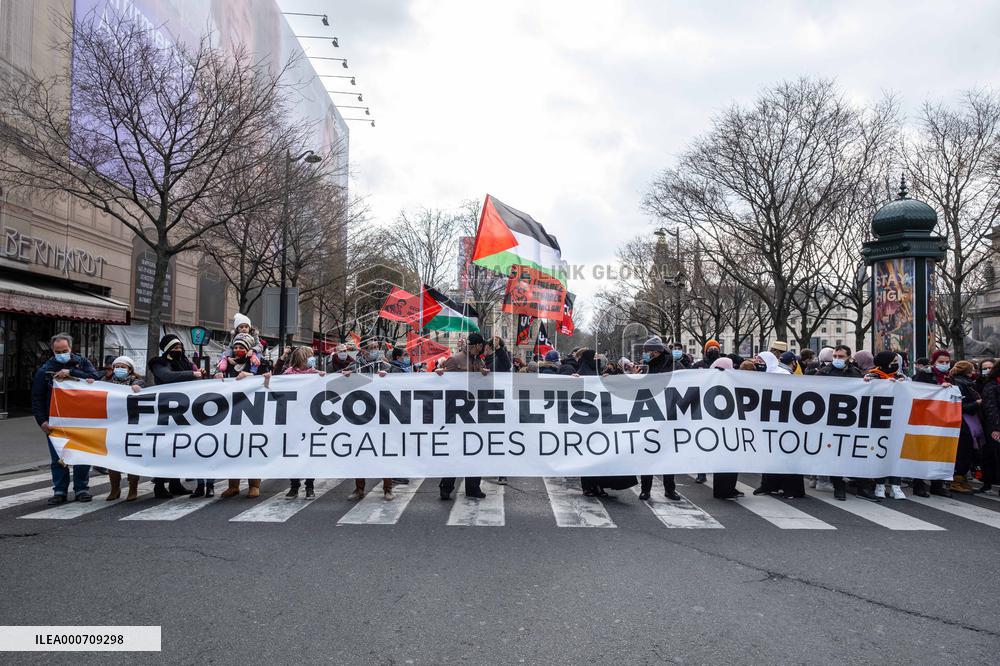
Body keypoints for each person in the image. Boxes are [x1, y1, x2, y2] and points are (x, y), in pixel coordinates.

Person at [31, 333, 103, 505]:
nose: (61, 353)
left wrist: (71, 372)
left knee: (82, 456)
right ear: (53, 350)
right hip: (56, 421)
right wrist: (42, 421)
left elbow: (96, 379)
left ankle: (82, 489)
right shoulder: (45, 369)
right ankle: (60, 491)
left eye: (64, 350)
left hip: (81, 421)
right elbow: (37, 398)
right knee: (58, 458)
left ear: (71, 349)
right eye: (58, 351)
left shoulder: (83, 363)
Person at [148, 334, 203, 498]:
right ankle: (159, 484)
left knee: (178, 448)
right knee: (164, 448)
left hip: (183, 410)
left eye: (179, 346)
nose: (178, 350)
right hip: (165, 410)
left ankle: (175, 483)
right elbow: (166, 376)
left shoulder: (186, 362)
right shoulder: (158, 362)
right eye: (174, 347)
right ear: (166, 349)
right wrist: (192, 375)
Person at [438, 332, 491, 500]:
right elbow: (443, 383)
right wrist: (439, 372)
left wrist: (485, 376)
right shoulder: (455, 359)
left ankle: (473, 487)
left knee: (475, 452)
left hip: (474, 414)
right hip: (457, 414)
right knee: (455, 452)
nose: (482, 348)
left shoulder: (479, 361)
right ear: (477, 345)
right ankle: (446, 487)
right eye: (481, 345)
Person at [213, 333, 265, 499]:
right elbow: (215, 380)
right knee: (232, 449)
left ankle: (254, 485)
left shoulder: (257, 362)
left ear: (248, 348)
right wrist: (217, 376)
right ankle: (233, 485)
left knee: (251, 449)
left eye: (241, 347)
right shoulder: (226, 364)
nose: (237, 350)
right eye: (235, 347)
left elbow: (269, 378)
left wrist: (250, 376)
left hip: (252, 412)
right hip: (230, 412)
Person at [751, 352, 805, 499]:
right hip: (768, 420)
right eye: (756, 360)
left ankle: (791, 488)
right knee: (769, 454)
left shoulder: (782, 374)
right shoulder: (759, 375)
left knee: (786, 455)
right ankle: (769, 484)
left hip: (784, 421)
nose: (757, 362)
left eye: (760, 360)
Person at [814, 345, 864, 501]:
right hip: (831, 420)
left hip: (850, 421)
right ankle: (838, 485)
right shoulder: (823, 373)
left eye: (840, 357)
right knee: (834, 454)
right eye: (835, 356)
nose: (836, 359)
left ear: (848, 357)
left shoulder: (855, 374)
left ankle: (860, 485)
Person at [278, 346, 326, 499]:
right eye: (311, 356)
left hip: (310, 420)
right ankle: (294, 485)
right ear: (302, 358)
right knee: (294, 454)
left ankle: (310, 486)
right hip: (293, 421)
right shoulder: (288, 375)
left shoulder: (316, 374)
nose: (314, 359)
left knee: (309, 454)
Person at [638, 336, 682, 501]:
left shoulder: (673, 365)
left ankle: (670, 489)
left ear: (656, 352)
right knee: (647, 453)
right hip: (649, 415)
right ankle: (645, 490)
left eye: (648, 351)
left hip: (668, 415)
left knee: (667, 455)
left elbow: (688, 380)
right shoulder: (647, 367)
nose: (646, 354)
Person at [93, 356, 143, 501]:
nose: (119, 370)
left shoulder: (137, 381)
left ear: (130, 369)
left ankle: (133, 489)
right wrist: (90, 383)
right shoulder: (106, 382)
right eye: (117, 367)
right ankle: (115, 489)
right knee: (112, 457)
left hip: (131, 425)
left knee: (131, 457)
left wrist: (138, 390)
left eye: (123, 367)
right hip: (112, 426)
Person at [863, 352, 907, 500]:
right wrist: (866, 382)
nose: (896, 363)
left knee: (896, 453)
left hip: (897, 419)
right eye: (894, 361)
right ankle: (879, 484)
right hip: (878, 420)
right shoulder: (873, 376)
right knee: (880, 452)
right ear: (885, 362)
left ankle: (896, 485)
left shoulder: (900, 377)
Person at [910, 350, 954, 498]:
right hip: (925, 418)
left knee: (941, 450)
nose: (944, 364)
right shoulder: (925, 374)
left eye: (947, 362)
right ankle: (919, 485)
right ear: (933, 362)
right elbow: (918, 392)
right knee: (923, 451)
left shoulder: (949, 376)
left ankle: (937, 485)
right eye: (941, 362)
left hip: (942, 420)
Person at [947, 361, 982, 495]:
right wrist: (976, 403)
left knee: (967, 451)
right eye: (972, 369)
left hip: (968, 420)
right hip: (964, 421)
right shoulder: (961, 384)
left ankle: (960, 479)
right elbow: (959, 406)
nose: (974, 372)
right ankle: (956, 481)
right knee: (964, 451)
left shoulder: (965, 382)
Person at [977, 363, 1000, 495]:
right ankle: (988, 482)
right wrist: (996, 428)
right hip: (994, 426)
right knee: (992, 455)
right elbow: (991, 409)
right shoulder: (991, 386)